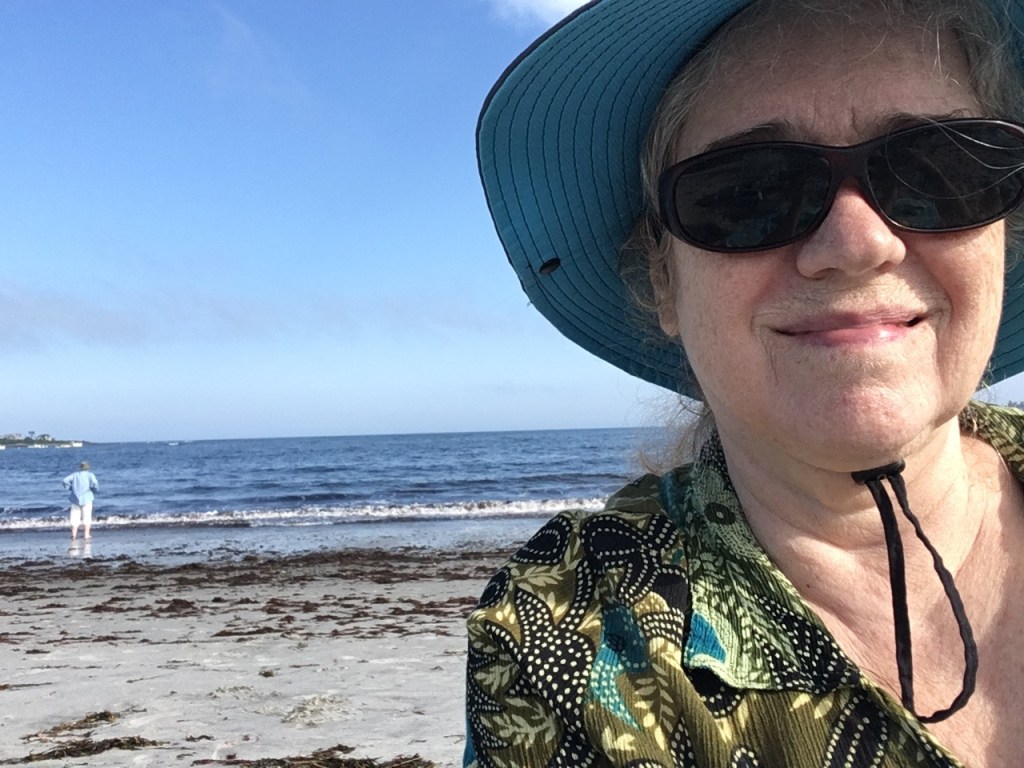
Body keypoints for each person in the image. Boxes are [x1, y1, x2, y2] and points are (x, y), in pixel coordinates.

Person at [466, 0, 1024, 765]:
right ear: (664, 280)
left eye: (938, 170)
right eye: (749, 193)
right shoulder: (564, 630)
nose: (857, 244)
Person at [63, 460, 99, 541]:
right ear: (87, 468)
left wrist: (70, 488)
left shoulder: (75, 475)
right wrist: (94, 489)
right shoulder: (90, 475)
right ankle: (86, 535)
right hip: (87, 497)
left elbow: (65, 480)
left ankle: (73, 535)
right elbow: (95, 483)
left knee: (74, 517)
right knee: (87, 516)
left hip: (75, 498)